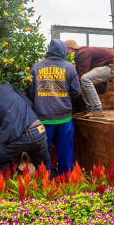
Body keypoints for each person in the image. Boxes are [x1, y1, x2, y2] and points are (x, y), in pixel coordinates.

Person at [0, 84, 51, 185]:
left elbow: (1, 125)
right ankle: (50, 194)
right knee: (43, 166)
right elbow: (29, 103)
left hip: (17, 137)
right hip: (38, 131)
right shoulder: (6, 86)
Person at [27, 39, 80, 176]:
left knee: (42, 155)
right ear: (63, 51)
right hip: (64, 119)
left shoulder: (36, 67)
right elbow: (76, 92)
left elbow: (31, 92)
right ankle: (66, 182)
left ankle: (45, 185)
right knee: (65, 153)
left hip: (43, 120)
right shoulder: (69, 67)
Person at [65, 40, 114, 118]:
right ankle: (91, 109)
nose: (65, 52)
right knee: (82, 81)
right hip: (104, 68)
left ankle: (97, 109)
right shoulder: (78, 55)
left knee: (85, 78)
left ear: (71, 48)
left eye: (65, 50)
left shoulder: (83, 52)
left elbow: (83, 74)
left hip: (111, 67)